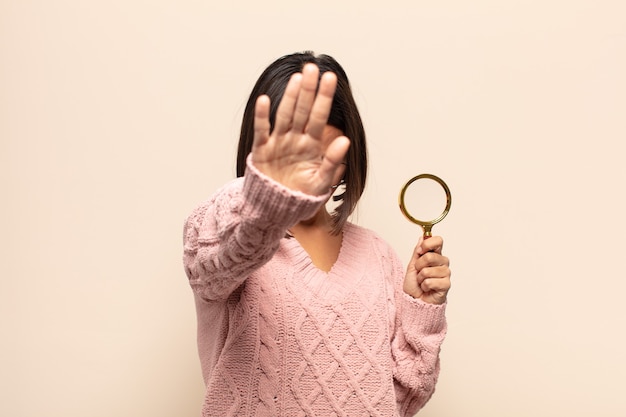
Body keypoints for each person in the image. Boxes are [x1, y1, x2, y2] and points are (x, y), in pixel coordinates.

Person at [182, 51, 451, 417]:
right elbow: (214, 255)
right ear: (259, 151)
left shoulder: (379, 254)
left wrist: (423, 314)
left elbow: (396, 402)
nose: (311, 175)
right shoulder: (224, 236)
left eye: (325, 155)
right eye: (294, 155)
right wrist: (264, 197)